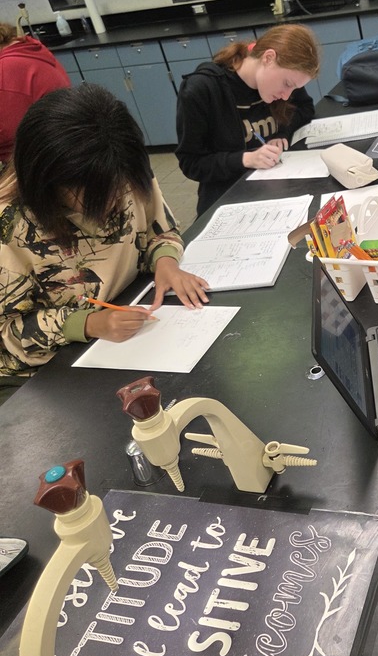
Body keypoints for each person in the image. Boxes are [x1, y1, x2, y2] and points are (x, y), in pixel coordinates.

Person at [0, 84, 209, 398]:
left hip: (125, 330)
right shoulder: (10, 226)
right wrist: (88, 324)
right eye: (97, 196)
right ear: (48, 182)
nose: (115, 200)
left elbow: (159, 229)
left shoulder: (122, 166)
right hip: (43, 375)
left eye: (119, 186)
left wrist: (165, 261)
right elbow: (7, 333)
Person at [175, 24, 320, 216]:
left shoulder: (285, 79)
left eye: (293, 89)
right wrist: (246, 159)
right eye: (287, 85)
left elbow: (305, 108)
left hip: (273, 186)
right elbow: (191, 163)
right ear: (268, 58)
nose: (286, 96)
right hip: (228, 198)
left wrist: (281, 132)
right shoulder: (202, 89)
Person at [0, 20, 71, 166]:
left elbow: (9, 134)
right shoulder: (28, 49)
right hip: (64, 139)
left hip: (45, 154)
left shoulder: (6, 68)